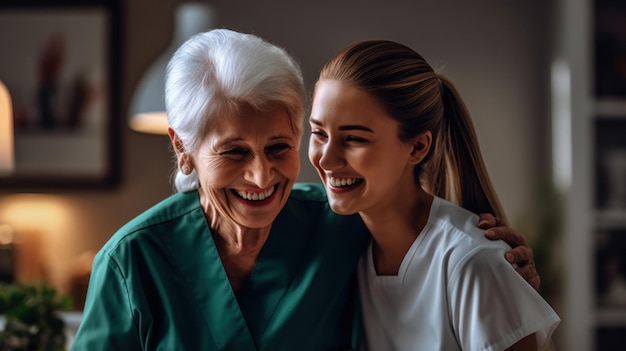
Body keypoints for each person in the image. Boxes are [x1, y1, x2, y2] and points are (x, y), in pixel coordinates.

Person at [71, 29, 541, 350]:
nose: (261, 177)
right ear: (183, 147)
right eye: (234, 152)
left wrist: (499, 263)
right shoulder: (132, 261)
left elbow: (430, 242)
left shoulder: (342, 222)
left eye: (279, 146)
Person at [308, 39, 561, 350]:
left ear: (417, 147)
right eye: (318, 133)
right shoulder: (341, 248)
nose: (326, 159)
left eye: (355, 138)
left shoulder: (472, 262)